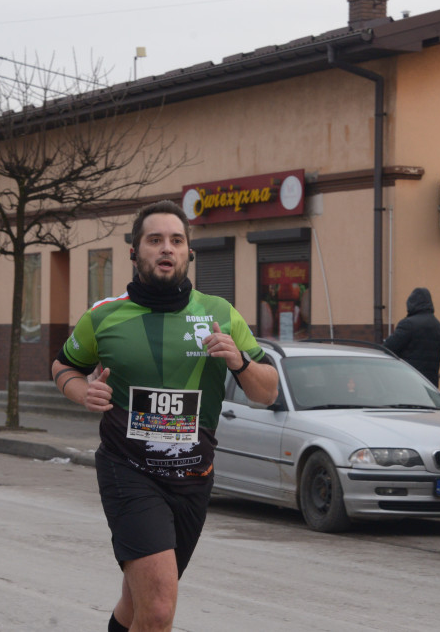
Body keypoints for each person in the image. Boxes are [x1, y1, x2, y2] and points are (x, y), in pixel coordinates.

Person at [50, 200, 278, 632]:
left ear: (189, 252)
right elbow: (63, 365)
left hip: (193, 478)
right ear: (135, 252)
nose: (166, 248)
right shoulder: (104, 316)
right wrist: (83, 392)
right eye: (154, 240)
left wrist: (240, 363)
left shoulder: (220, 315)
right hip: (129, 471)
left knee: (138, 604)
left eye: (176, 240)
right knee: (157, 611)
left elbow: (267, 392)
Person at [382, 287, 440, 386]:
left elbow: (388, 347)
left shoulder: (408, 324)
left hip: (410, 382)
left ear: (411, 303)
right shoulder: (439, 328)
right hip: (431, 384)